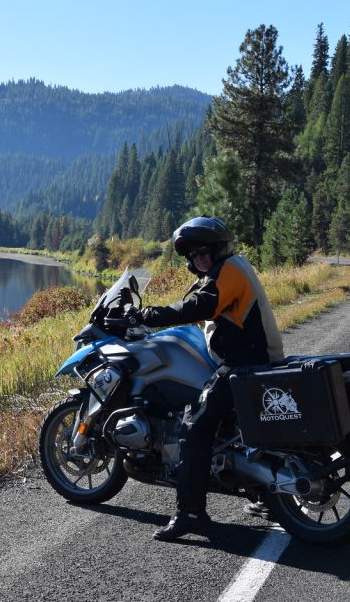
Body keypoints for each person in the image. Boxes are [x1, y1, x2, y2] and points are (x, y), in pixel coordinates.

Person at [137, 216, 284, 541]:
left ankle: (190, 514)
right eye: (193, 254)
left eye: (204, 251)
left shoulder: (230, 269)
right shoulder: (228, 269)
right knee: (229, 426)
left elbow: (201, 306)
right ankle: (263, 493)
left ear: (219, 249)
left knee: (196, 422)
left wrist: (151, 314)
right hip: (252, 361)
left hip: (246, 364)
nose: (199, 258)